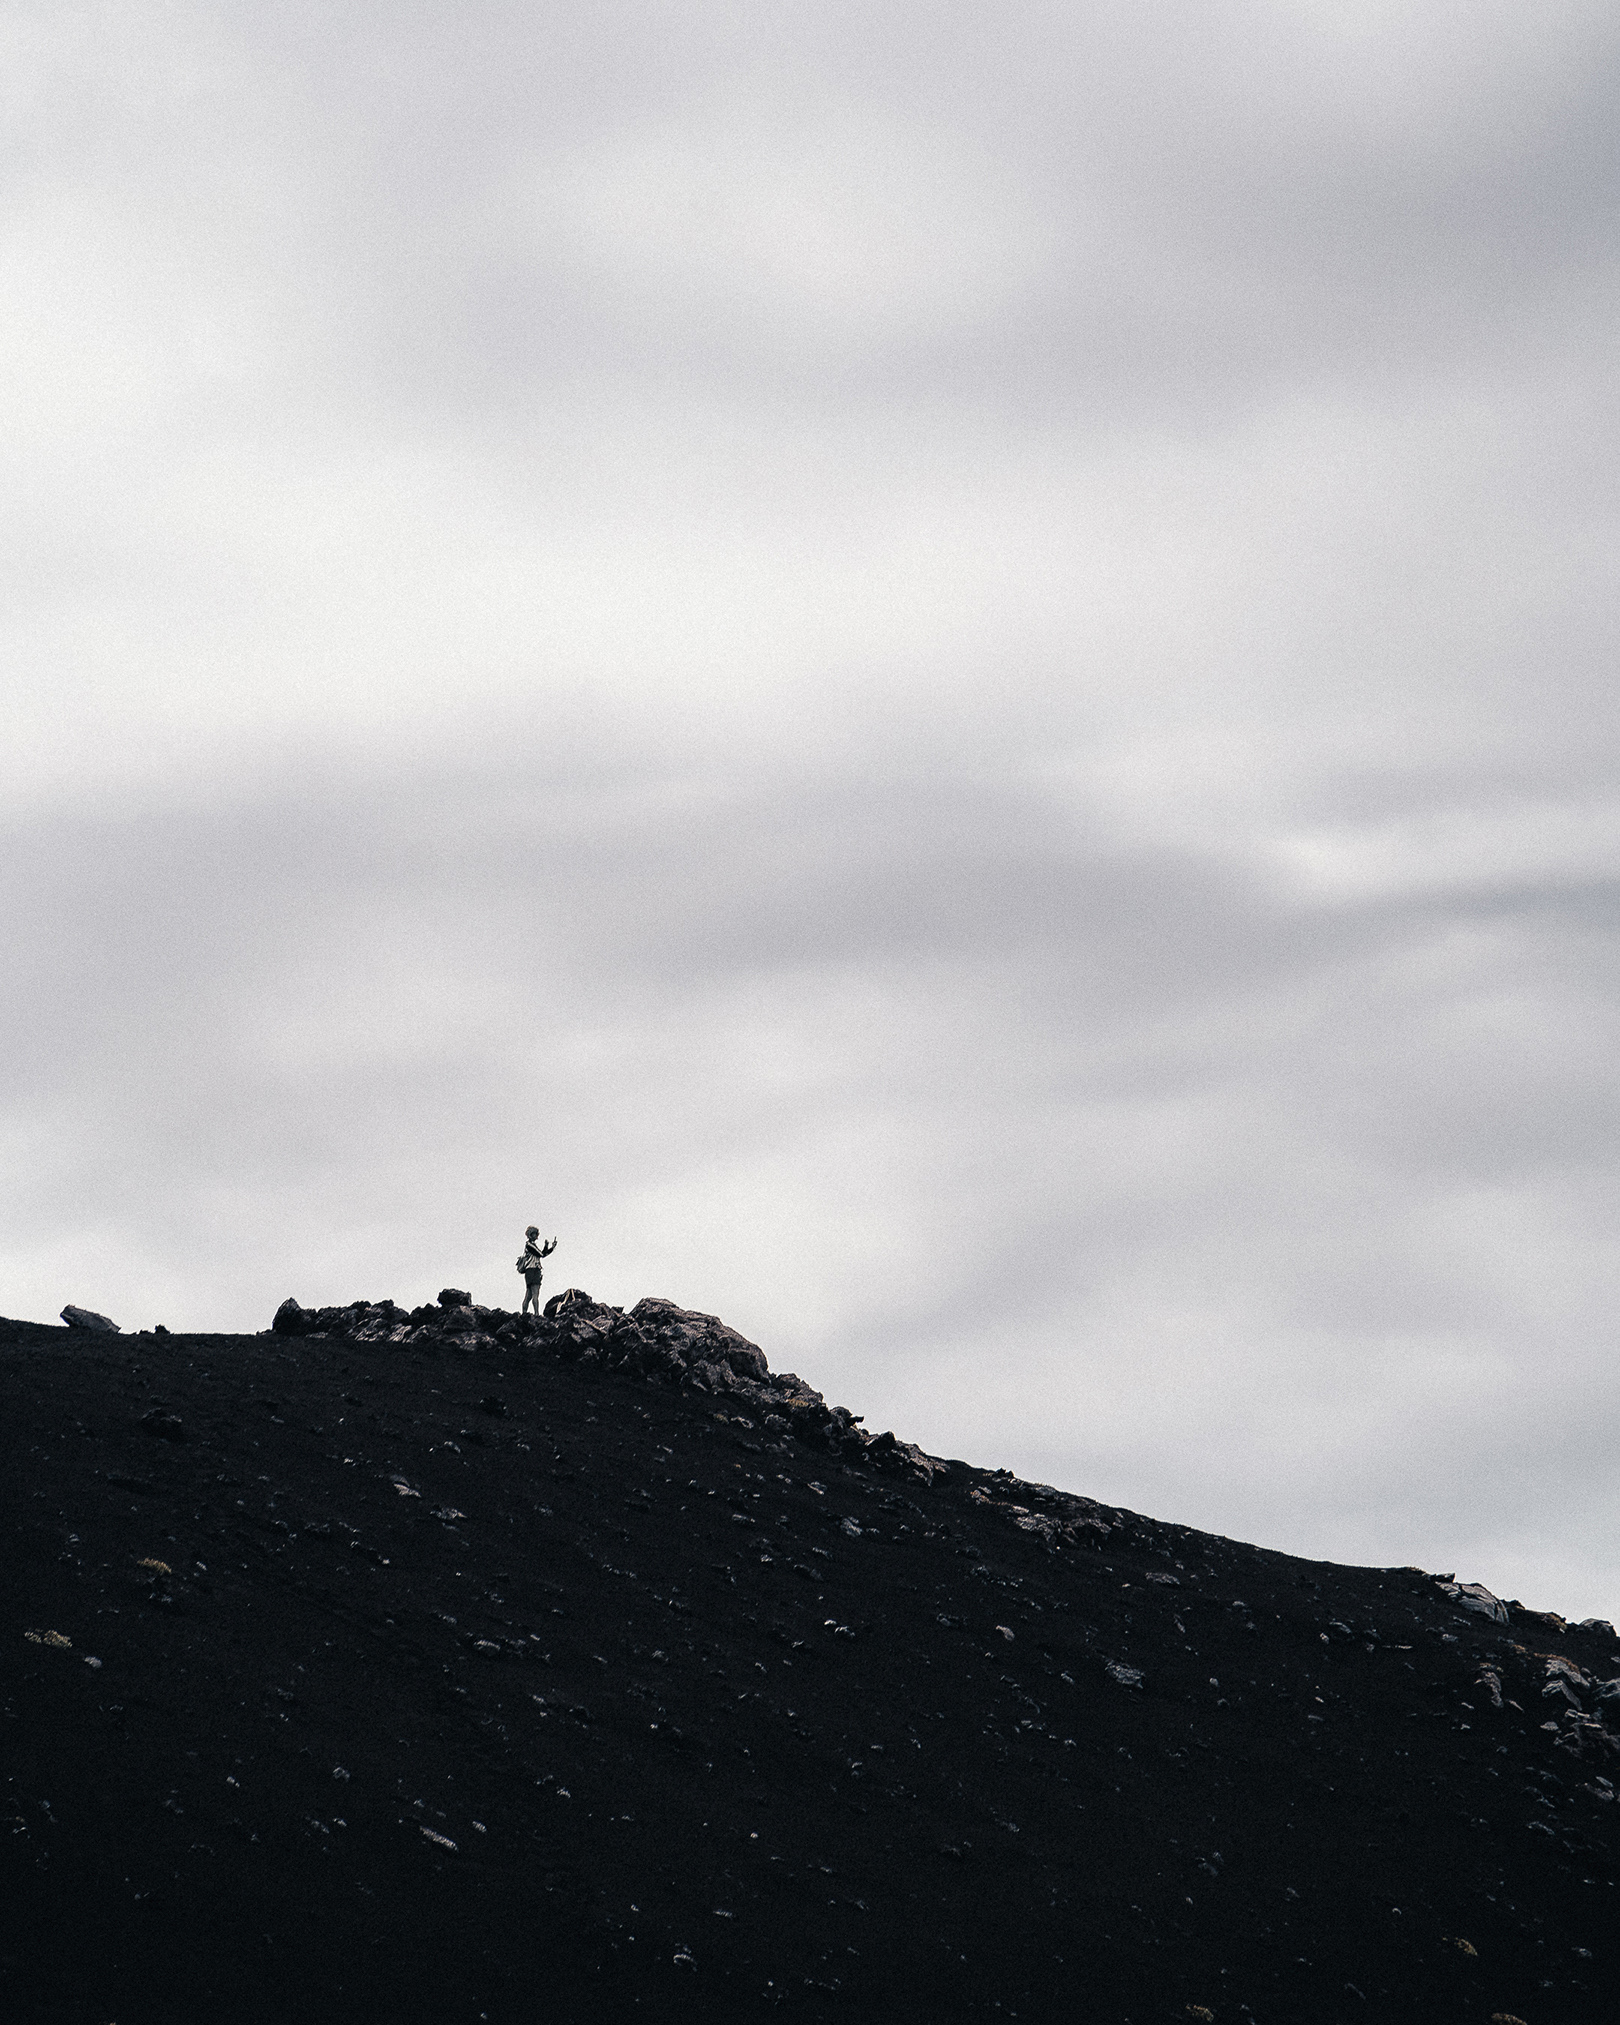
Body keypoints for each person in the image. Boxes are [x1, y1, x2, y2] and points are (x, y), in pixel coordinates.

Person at [517, 1226, 557, 1316]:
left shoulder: (530, 1245)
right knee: (535, 1293)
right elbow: (541, 1254)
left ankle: (524, 1314)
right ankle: (536, 1314)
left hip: (529, 1272)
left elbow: (541, 1254)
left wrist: (550, 1247)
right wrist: (548, 1247)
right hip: (533, 1271)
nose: (537, 1237)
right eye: (535, 1234)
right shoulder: (530, 1245)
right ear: (531, 1235)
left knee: (529, 1295)